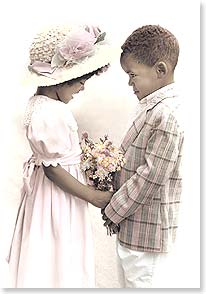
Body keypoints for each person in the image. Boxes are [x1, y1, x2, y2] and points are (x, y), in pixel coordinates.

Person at [6, 24, 115, 288]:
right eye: (80, 81)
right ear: (60, 79)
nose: (82, 88)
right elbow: (53, 170)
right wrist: (93, 196)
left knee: (47, 251)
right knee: (61, 253)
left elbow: (58, 157)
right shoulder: (54, 112)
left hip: (46, 197)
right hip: (57, 199)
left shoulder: (40, 104)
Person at [101, 24, 184, 288]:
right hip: (133, 230)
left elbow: (150, 177)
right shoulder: (150, 107)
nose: (129, 82)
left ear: (160, 70)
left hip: (148, 236)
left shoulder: (167, 114)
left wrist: (112, 209)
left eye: (132, 74)